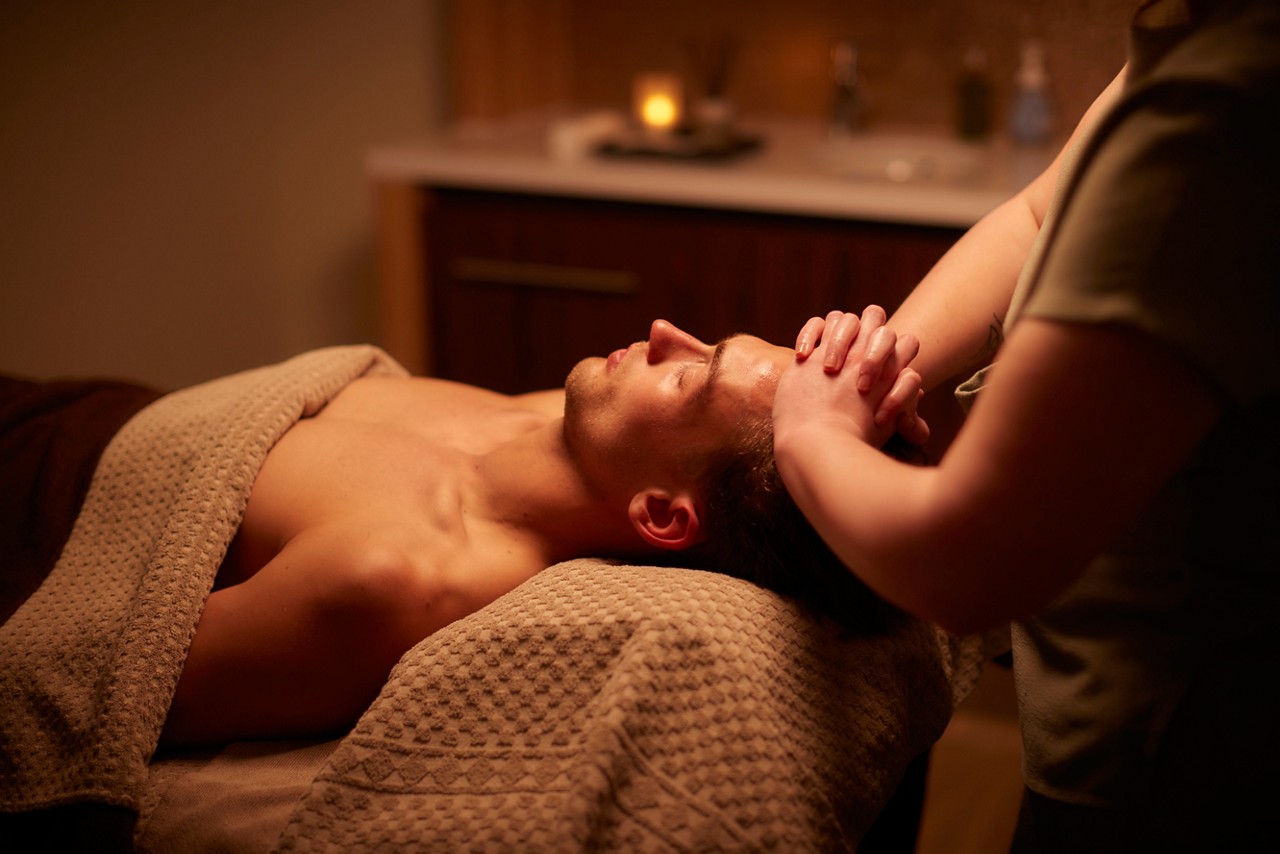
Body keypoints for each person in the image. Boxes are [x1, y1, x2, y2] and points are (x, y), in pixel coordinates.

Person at [772, 0, 1279, 850]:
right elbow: (1041, 215)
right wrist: (873, 368)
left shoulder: (1229, 116)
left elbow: (971, 563)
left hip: (1180, 769)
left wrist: (809, 436)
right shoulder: (1189, 47)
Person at [160, 319, 917, 747]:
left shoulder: (393, 575)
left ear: (660, 515)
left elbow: (130, 680)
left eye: (691, 377)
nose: (664, 334)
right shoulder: (565, 429)